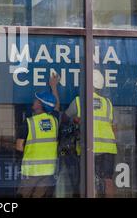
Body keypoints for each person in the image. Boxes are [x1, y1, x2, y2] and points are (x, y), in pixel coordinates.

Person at [65, 69, 118, 198]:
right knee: (108, 181)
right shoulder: (108, 104)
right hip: (107, 148)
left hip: (88, 147)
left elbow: (65, 119)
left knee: (88, 181)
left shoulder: (79, 101)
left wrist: (75, 120)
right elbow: (114, 128)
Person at [15, 73, 60, 198]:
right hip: (48, 171)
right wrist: (54, 87)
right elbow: (56, 106)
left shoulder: (29, 122)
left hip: (31, 171)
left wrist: (19, 160)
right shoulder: (54, 121)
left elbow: (19, 146)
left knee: (23, 195)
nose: (34, 101)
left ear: (40, 105)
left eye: (36, 100)